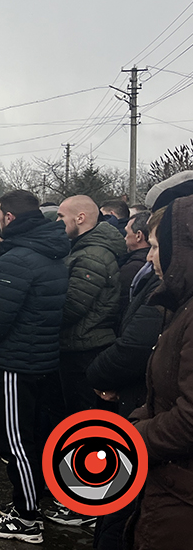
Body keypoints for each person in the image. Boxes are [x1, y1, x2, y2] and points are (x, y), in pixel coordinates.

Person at [0, 189, 69, 544]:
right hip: (42, 358)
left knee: (14, 442)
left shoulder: (18, 257)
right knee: (36, 436)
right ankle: (31, 501)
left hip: (16, 361)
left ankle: (27, 518)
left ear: (8, 217)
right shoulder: (51, 251)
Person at [87, 211, 166, 550]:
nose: (149, 255)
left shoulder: (166, 294)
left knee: (122, 511)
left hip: (144, 420)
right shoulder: (151, 279)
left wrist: (100, 374)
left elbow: (136, 347)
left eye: (156, 246)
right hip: (136, 402)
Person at [129, 197, 193, 549]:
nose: (149, 256)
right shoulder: (182, 305)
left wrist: (134, 440)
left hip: (181, 500)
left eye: (154, 247)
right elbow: (166, 389)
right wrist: (137, 420)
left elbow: (191, 416)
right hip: (170, 486)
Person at [53, 196, 127, 424]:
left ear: (80, 218)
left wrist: (40, 317)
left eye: (61, 216)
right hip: (82, 345)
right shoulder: (83, 249)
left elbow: (72, 306)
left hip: (84, 349)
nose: (57, 221)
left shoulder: (92, 255)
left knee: (83, 419)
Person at [118, 211, 151, 316]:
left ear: (138, 236)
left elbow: (120, 303)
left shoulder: (132, 268)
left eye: (127, 233)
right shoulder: (150, 263)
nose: (125, 238)